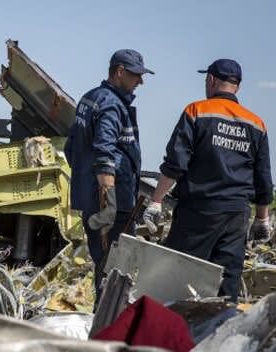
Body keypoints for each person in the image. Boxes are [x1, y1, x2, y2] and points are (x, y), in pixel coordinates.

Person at [142, 59, 273, 301]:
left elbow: (175, 164)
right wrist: (262, 219)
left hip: (199, 212)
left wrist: (156, 201)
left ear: (211, 80)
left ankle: (173, 334)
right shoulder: (257, 124)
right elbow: (263, 178)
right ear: (238, 87)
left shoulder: (197, 112)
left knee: (178, 279)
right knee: (226, 285)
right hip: (236, 215)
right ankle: (219, 332)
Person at [64, 49, 154, 298]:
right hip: (112, 208)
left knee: (105, 266)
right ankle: (108, 323)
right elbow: (104, 154)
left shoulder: (89, 98)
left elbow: (72, 148)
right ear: (120, 71)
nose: (140, 82)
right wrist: (109, 203)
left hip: (94, 200)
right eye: (136, 75)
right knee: (115, 271)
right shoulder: (112, 106)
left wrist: (86, 184)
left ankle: (103, 319)